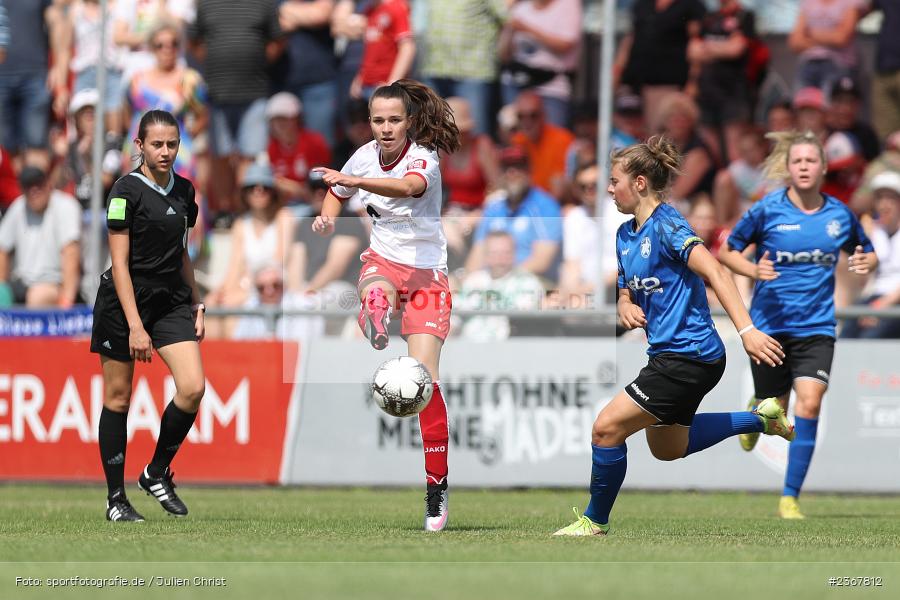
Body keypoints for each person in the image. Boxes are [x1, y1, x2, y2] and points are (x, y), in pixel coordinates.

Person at [553, 136, 790, 537]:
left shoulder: (668, 225)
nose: (609, 190)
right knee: (668, 450)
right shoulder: (626, 234)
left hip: (691, 355)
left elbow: (716, 272)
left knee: (605, 429)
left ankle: (594, 521)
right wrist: (624, 304)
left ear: (640, 183)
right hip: (671, 355)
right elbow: (628, 287)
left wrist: (747, 331)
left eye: (614, 181)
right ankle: (761, 420)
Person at [312, 79, 459, 532]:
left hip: (428, 273)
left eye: (395, 119)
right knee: (375, 284)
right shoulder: (361, 156)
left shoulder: (424, 158)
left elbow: (409, 188)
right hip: (385, 261)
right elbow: (335, 192)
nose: (386, 127)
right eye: (378, 120)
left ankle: (436, 487)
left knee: (426, 384)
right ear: (370, 122)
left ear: (410, 122)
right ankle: (374, 315)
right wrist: (326, 217)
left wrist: (355, 182)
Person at [719, 130, 877, 519]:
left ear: (823, 168)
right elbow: (726, 251)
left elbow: (868, 252)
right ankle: (756, 414)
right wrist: (754, 269)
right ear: (788, 169)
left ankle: (790, 497)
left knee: (810, 403)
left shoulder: (839, 215)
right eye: (797, 161)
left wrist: (865, 263)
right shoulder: (767, 210)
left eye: (811, 161)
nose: (804, 167)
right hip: (770, 327)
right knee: (776, 409)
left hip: (817, 328)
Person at [89, 110, 206, 522]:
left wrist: (196, 302)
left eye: (172, 144)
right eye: (157, 144)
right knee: (118, 397)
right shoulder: (124, 191)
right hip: (124, 304)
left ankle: (156, 472)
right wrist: (135, 325)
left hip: (170, 301)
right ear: (139, 146)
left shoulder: (186, 191)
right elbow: (119, 264)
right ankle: (115, 500)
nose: (165, 151)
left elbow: (183, 253)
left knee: (192, 388)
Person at [0, 167, 82, 308]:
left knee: (36, 297)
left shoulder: (66, 206)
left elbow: (71, 253)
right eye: (28, 186)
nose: (34, 190)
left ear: (48, 183)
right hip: (21, 282)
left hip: (54, 285)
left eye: (38, 184)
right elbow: (2, 248)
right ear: (22, 189)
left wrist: (67, 300)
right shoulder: (18, 206)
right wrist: (2, 286)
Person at [841, 171, 900, 339]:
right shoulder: (873, 231)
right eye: (880, 198)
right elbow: (860, 278)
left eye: (891, 199)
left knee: (870, 336)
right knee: (846, 334)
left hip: (893, 301)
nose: (885, 205)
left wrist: (881, 306)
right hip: (873, 298)